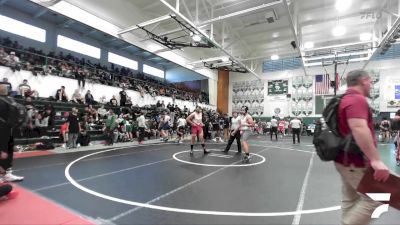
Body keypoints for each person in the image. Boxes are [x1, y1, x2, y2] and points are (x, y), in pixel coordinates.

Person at [335, 70, 390, 225]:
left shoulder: (343, 99)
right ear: (363, 80)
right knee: (379, 197)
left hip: (344, 160)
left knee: (350, 199)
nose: (371, 85)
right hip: (355, 162)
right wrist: (376, 160)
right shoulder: (356, 100)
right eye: (371, 82)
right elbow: (359, 128)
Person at [0, 84, 24, 182]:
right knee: (7, 152)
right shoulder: (11, 100)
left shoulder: (6, 101)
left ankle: (5, 175)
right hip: (10, 130)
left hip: (3, 129)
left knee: (4, 152)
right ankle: (7, 174)